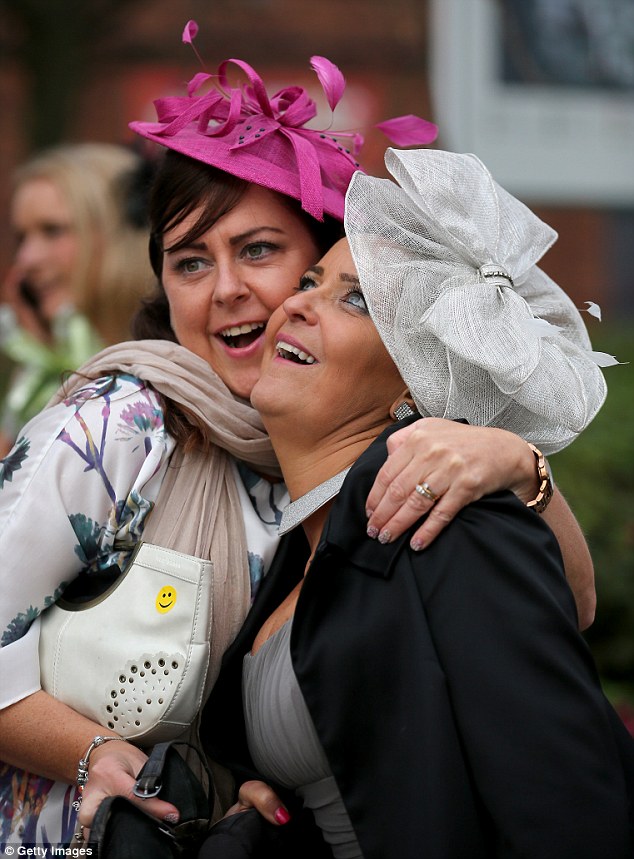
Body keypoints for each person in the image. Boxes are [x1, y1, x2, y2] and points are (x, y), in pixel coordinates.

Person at [0, 44, 599, 849]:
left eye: (259, 252)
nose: (226, 291)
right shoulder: (122, 426)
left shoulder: (365, 469)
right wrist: (98, 754)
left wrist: (516, 462)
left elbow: (560, 617)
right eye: (188, 263)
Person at [200, 148, 632, 858]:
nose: (296, 303)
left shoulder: (449, 530)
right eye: (310, 280)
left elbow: (569, 807)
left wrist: (523, 465)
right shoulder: (302, 549)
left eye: (355, 299)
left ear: (414, 385)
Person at [0, 143, 156, 456]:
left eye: (52, 231)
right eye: (22, 237)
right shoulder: (37, 369)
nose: (26, 258)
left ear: (118, 234)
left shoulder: (163, 374)